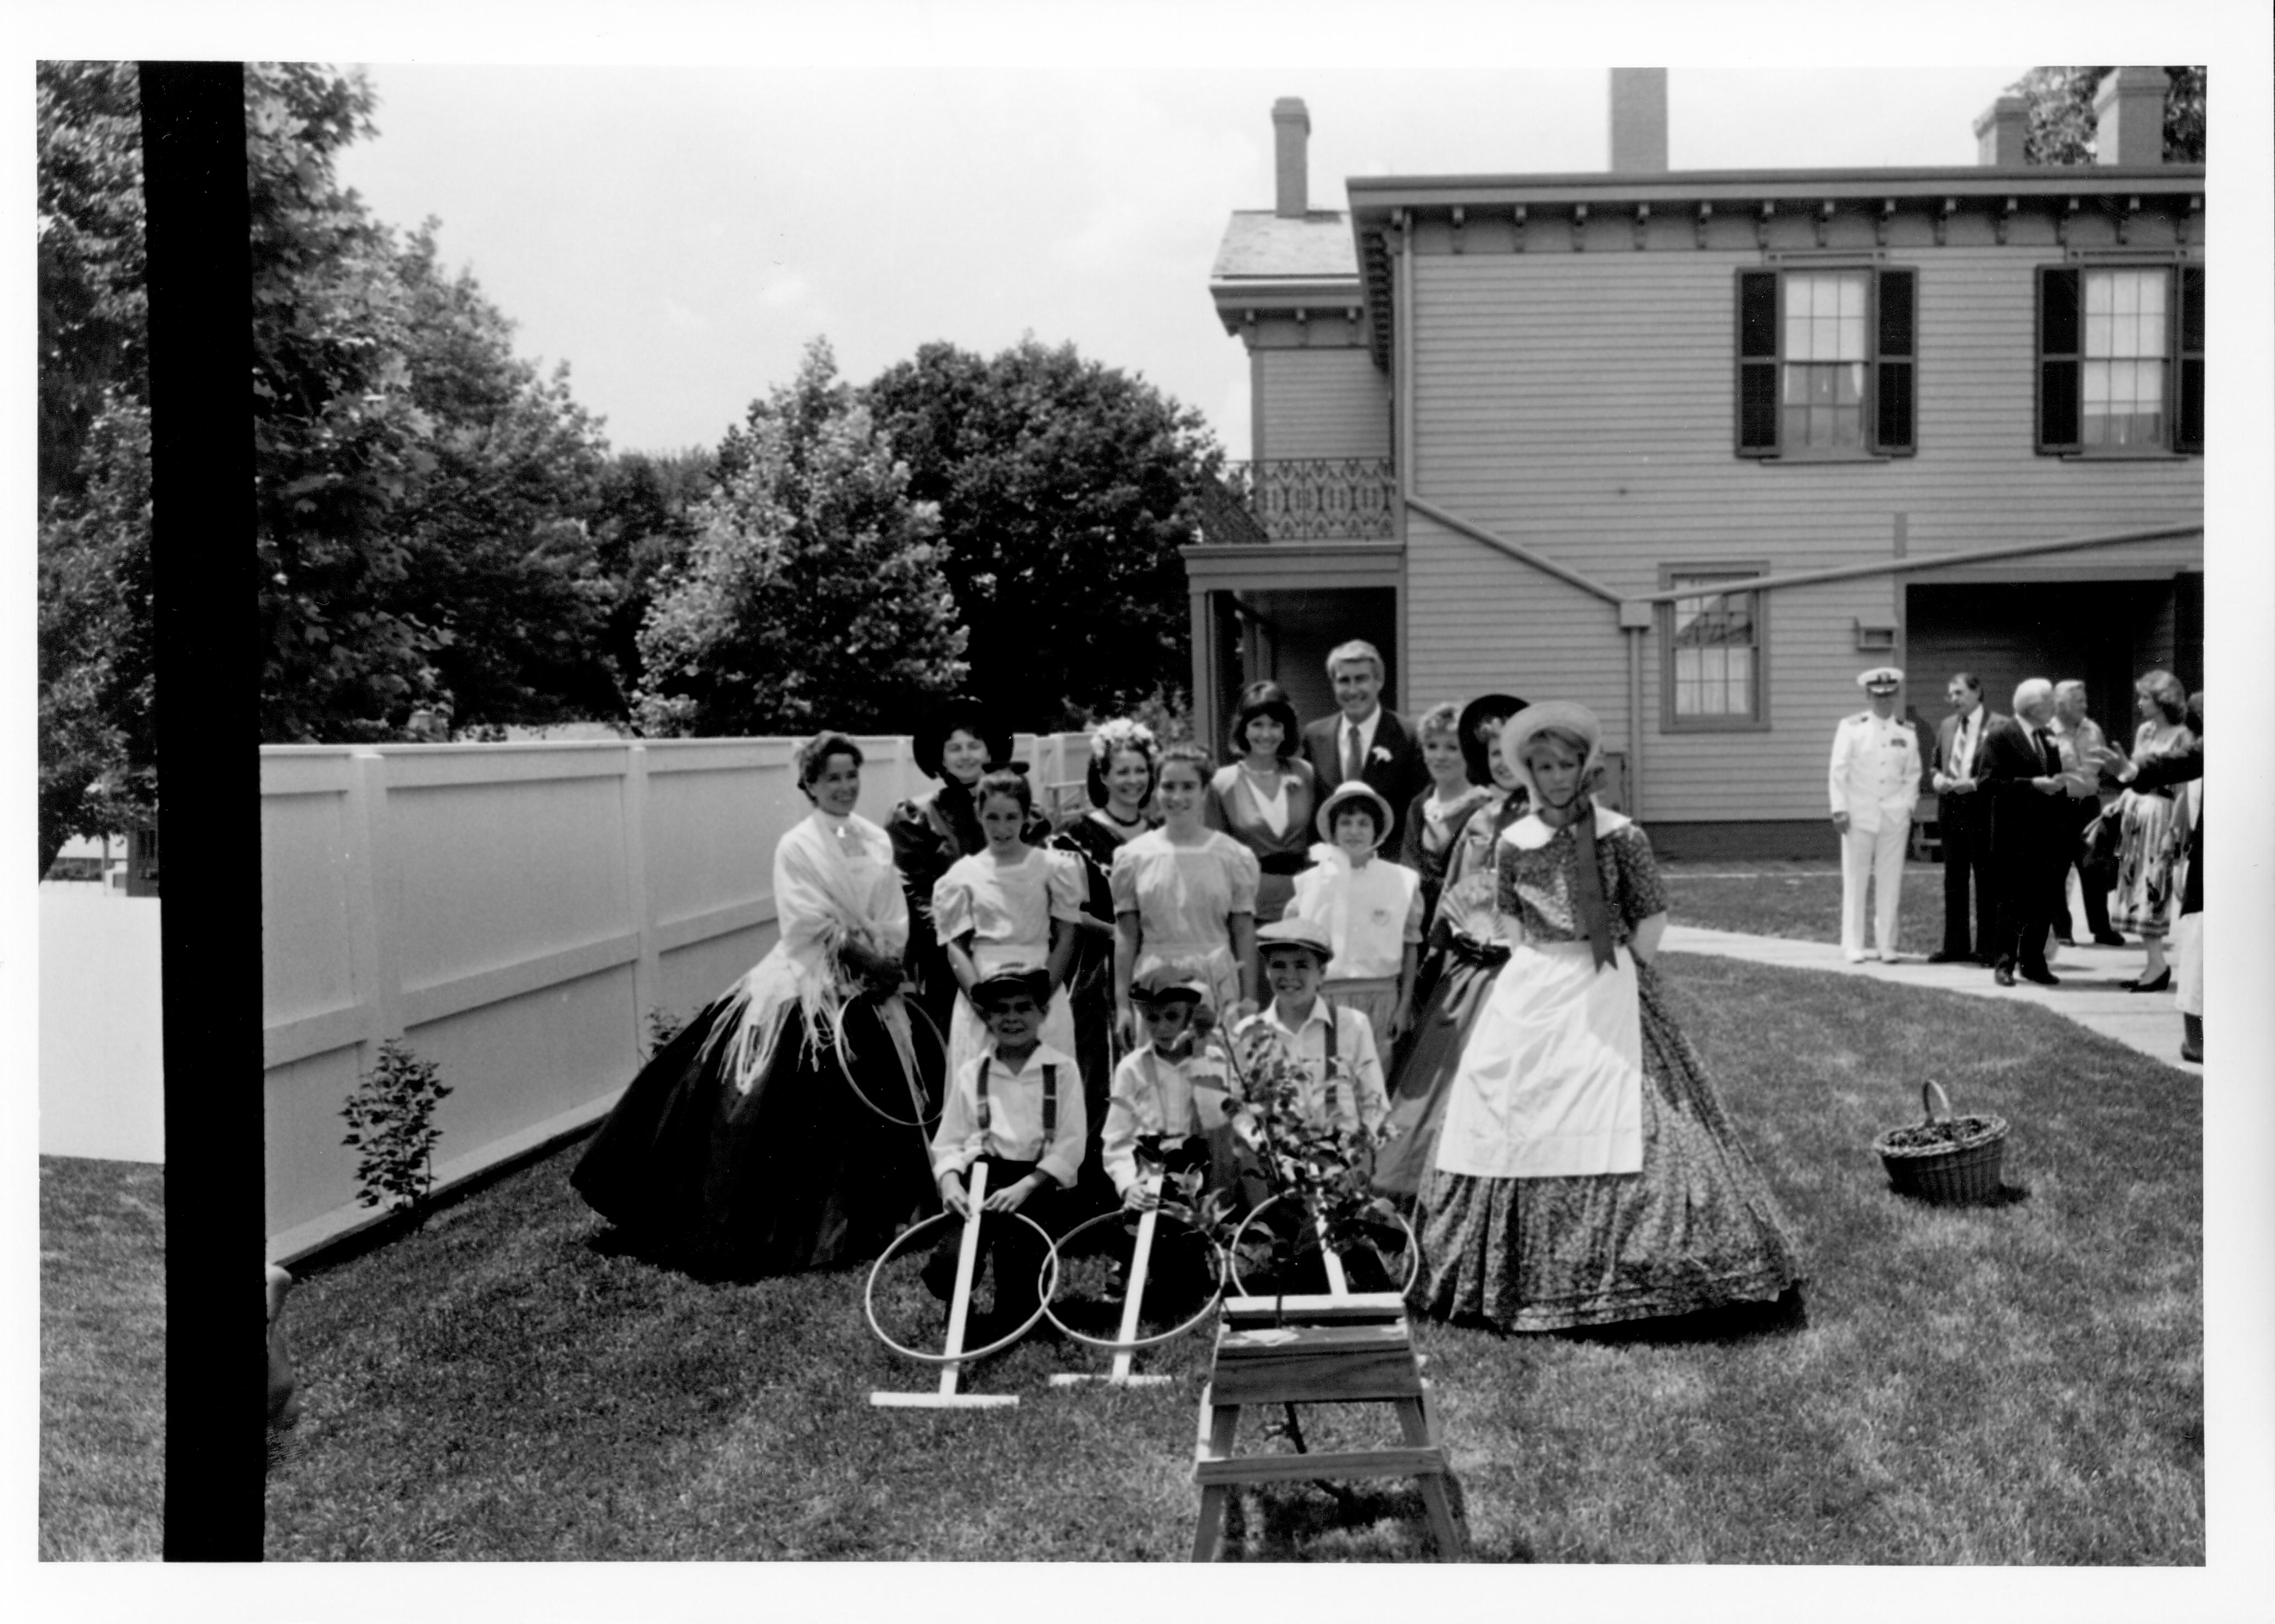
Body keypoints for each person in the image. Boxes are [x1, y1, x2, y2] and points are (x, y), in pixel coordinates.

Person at [1411, 702, 1802, 1333]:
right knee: (1511, 1108)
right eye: (1542, 765)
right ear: (1526, 771)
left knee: (1639, 1114)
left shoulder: (1622, 834)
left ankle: (1649, 1272)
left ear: (1583, 765)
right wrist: (1536, 971)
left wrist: (1624, 970)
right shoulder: (1513, 841)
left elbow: (1651, 914)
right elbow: (1509, 917)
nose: (1556, 777)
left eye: (1566, 764)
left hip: (1609, 980)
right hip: (1535, 989)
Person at [571, 733, 932, 1273]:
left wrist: (889, 961)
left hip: (872, 984)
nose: (843, 786)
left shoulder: (876, 841)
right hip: (811, 977)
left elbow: (891, 911)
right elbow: (809, 923)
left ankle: (881, 1214)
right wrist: (864, 964)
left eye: (851, 775)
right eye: (830, 777)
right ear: (809, 784)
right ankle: (791, 1224)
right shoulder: (797, 845)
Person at [1373, 692, 1528, 1202]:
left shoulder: (1549, 819)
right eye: (1493, 754)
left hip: (1529, 968)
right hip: (1470, 965)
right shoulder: (1482, 823)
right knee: (1441, 1071)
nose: (1502, 764)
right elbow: (1455, 903)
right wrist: (1435, 960)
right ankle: (1427, 1181)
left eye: (1512, 751)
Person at [925, 965, 1086, 1339]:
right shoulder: (973, 1072)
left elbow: (1070, 1143)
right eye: (1001, 1009)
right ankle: (958, 1295)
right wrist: (950, 1182)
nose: (1012, 1017)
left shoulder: (1061, 1071)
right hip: (983, 1177)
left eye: (1023, 1007)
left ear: (1043, 1013)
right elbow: (948, 1141)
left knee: (1020, 1314)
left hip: (1034, 1182)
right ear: (987, 1016)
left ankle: (1019, 1296)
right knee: (949, 1265)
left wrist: (1028, 1185)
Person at [1048, 717, 1161, 1205]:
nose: (1133, 780)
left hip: (1155, 968)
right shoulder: (1077, 835)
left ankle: (1156, 1183)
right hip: (1101, 971)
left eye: (1140, 770)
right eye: (1122, 771)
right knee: (1103, 1075)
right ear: (1102, 774)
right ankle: (1098, 1193)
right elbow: (1069, 910)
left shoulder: (1160, 831)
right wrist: (1124, 935)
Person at [932, 768, 1083, 1090]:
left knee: (1044, 1090)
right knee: (984, 1091)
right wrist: (983, 1004)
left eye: (1012, 817)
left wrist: (1041, 998)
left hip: (1041, 983)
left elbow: (1067, 936)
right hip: (984, 986)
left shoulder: (1050, 868)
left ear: (1027, 816)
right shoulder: (964, 875)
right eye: (993, 818)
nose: (1002, 828)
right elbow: (955, 945)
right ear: (979, 816)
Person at [886, 698, 1028, 1035]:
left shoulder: (1020, 812)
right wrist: (963, 945)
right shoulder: (916, 818)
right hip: (947, 961)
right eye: (955, 748)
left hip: (1017, 953)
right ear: (941, 757)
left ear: (989, 751)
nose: (966, 756)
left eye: (974, 746)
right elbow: (915, 894)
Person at [1111, 742, 1262, 1044]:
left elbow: (1243, 932)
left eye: (1188, 787)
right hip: (1156, 981)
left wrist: (1249, 1002)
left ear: (1205, 792)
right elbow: (1127, 935)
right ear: (1156, 791)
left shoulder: (1232, 856)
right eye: (1168, 787)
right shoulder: (1135, 857)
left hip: (1214, 978)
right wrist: (1123, 1005)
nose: (1177, 797)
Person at [2093, 695, 2203, 1060]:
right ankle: (2195, 1039)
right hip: (2202, 855)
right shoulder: (2200, 745)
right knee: (2198, 939)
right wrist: (2130, 773)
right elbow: (2181, 767)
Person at [1287, 780, 1423, 1043]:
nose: (1354, 832)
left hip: (1381, 997)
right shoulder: (1309, 883)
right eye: (1346, 823)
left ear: (1377, 829)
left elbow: (1410, 947)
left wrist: (1404, 1005)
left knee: (1374, 1077)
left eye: (1364, 823)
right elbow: (1292, 950)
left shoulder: (1401, 881)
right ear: (1333, 829)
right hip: (1323, 997)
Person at [1237, 916, 1391, 1139]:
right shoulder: (1248, 1032)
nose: (1289, 976)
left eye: (1302, 966)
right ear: (1267, 972)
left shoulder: (1352, 1026)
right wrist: (1263, 1147)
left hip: (1339, 1159)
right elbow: (1238, 1105)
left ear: (1322, 974)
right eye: (1279, 965)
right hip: (1272, 1162)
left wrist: (1356, 1148)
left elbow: (1376, 1102)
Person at [1976, 679, 2073, 988]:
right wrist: (2032, 785)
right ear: (2033, 707)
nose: (2055, 708)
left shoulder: (2048, 736)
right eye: (2049, 702)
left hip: (2046, 837)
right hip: (2013, 836)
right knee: (2011, 904)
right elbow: (1988, 782)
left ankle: (2033, 962)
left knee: (2043, 902)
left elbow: (2054, 779)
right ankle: (2004, 963)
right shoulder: (2002, 736)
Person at [2108, 669, 2197, 993]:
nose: (2140, 703)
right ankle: (2152, 963)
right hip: (2136, 814)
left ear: (2162, 700)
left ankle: (2158, 966)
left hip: (2161, 814)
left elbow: (2184, 792)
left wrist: (2173, 832)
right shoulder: (2144, 732)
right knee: (2135, 891)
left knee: (2153, 889)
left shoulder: (2183, 737)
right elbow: (2135, 774)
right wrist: (2120, 802)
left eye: (2146, 697)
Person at [1203, 680, 1319, 925]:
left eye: (1275, 725)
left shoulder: (1304, 773)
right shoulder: (1223, 783)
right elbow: (1214, 858)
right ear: (1243, 729)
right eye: (1257, 725)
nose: (1266, 735)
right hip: (1250, 908)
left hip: (1306, 903)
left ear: (1286, 730)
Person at [1828, 666, 1923, 963]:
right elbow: (1838, 771)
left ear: (1896, 695)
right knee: (1855, 881)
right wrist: (1839, 808)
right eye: (1878, 695)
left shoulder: (1906, 733)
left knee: (1890, 881)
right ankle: (1854, 944)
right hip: (1858, 815)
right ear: (1868, 695)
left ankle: (1887, 945)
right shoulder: (1852, 728)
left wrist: (1907, 807)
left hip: (1894, 817)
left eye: (1890, 694)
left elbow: (1913, 775)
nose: (1884, 700)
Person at [1301, 639, 1429, 855]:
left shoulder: (1409, 736)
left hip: (1390, 865)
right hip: (1332, 866)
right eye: (1344, 680)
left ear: (1379, 681)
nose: (1352, 690)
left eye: (1361, 679)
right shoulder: (1315, 736)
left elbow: (1417, 812)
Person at [1397, 700, 1490, 940]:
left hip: (1466, 929)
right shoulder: (1419, 805)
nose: (1440, 756)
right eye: (1432, 746)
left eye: (1452, 748)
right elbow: (1408, 871)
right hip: (1416, 929)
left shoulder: (1484, 807)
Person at [1927, 672, 1998, 965]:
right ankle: (1955, 946)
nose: (1954, 700)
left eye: (1959, 693)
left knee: (1986, 879)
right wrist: (1938, 780)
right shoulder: (1946, 725)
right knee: (1954, 879)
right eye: (1951, 695)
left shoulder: (1999, 726)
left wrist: (1976, 784)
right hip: (1951, 810)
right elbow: (1934, 765)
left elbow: (2002, 774)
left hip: (1983, 810)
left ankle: (1988, 948)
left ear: (1977, 691)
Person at [2049, 679, 2126, 949]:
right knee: (2056, 870)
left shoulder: (2093, 730)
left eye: (2084, 700)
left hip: (2089, 807)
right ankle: (2062, 931)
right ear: (2061, 705)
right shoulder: (2047, 732)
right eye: (2079, 701)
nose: (2085, 705)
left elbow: (2106, 767)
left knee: (2094, 868)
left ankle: (2101, 929)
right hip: (2057, 808)